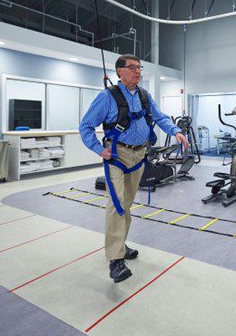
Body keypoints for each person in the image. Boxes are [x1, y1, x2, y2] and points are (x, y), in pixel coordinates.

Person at [79, 54, 189, 283]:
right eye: (132, 68)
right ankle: (115, 260)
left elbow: (160, 118)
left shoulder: (144, 96)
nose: (137, 72)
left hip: (139, 155)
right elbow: (86, 126)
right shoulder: (107, 97)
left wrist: (176, 131)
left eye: (139, 68)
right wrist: (99, 149)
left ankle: (120, 244)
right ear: (119, 71)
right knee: (117, 203)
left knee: (127, 204)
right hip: (117, 156)